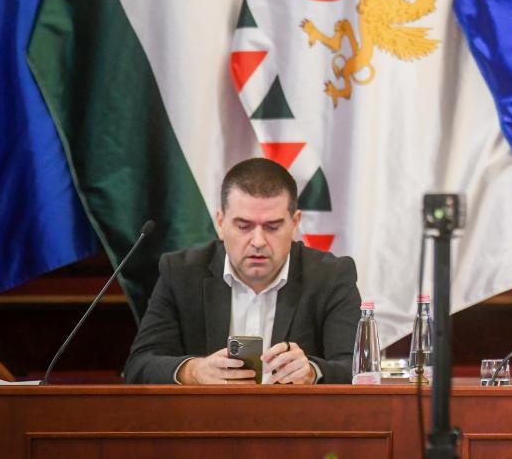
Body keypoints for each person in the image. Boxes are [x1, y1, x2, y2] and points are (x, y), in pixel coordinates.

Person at [124, 158, 361, 385]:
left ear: (295, 224)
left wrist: (313, 371)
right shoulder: (182, 273)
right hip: (208, 413)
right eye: (243, 226)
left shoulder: (331, 276)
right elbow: (139, 365)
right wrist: (193, 371)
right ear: (220, 223)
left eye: (272, 227)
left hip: (295, 414)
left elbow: (358, 369)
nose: (258, 241)